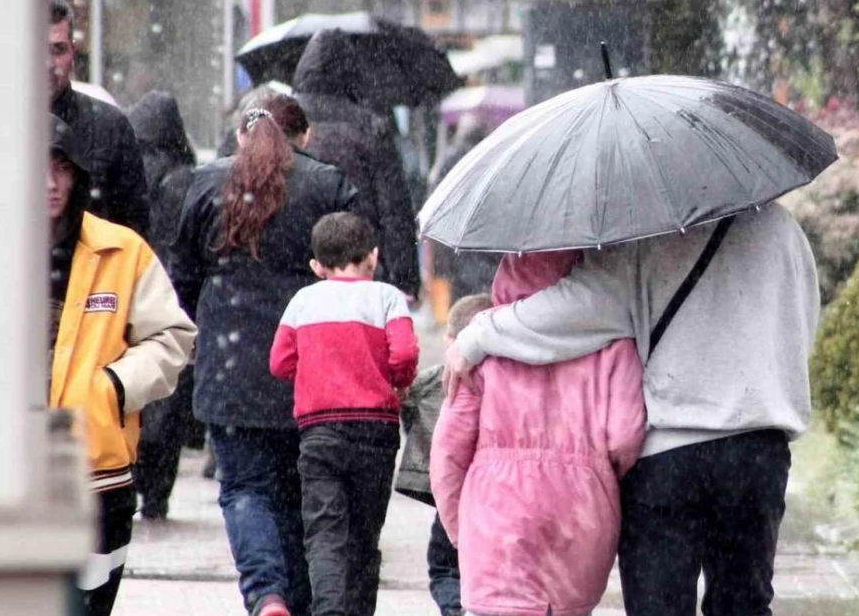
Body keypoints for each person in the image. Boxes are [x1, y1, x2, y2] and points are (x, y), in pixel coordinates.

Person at [443, 205, 821, 616]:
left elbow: (579, 308)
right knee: (744, 604)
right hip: (757, 450)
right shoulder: (784, 230)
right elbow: (801, 324)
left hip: (669, 455)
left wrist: (478, 334)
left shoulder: (653, 227)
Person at [171, 94, 358, 616]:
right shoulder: (328, 185)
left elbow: (181, 280)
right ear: (304, 137)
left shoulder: (207, 184)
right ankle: (298, 599)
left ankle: (266, 593)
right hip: (309, 367)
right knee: (301, 497)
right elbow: (361, 270)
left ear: (239, 139)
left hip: (230, 368)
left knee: (245, 490)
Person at [431, 251, 645, 616]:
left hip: (494, 518)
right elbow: (626, 436)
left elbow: (448, 454)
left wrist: (461, 529)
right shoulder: (612, 341)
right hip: (580, 517)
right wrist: (596, 480)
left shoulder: (480, 342)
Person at [48, 115, 196, 616]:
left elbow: (173, 337)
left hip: (97, 477)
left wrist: (112, 387)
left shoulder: (120, 250)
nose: (49, 182)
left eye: (61, 167)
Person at [270, 212, 420, 616]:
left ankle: (330, 609)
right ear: (373, 256)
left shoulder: (303, 301)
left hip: (318, 432)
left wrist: (317, 370)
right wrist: (397, 379)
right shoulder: (387, 297)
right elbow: (404, 354)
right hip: (376, 431)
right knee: (364, 536)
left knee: (324, 532)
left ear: (317, 266)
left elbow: (279, 362)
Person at [292, 29, 420, 299]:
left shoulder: (284, 119)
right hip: (358, 261)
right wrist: (405, 278)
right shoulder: (370, 126)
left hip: (297, 261)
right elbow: (393, 209)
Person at [127, 90, 204, 519]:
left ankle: (133, 467)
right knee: (168, 395)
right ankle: (157, 490)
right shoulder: (186, 178)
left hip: (131, 292)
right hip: (173, 295)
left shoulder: (125, 172)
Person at [395, 294, 494, 616]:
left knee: (446, 568)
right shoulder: (511, 377)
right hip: (502, 494)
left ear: (452, 339)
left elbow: (408, 407)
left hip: (455, 498)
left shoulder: (437, 381)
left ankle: (458, 610)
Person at [49, 0, 149, 235]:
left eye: (58, 49)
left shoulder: (110, 126)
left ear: (73, 52)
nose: (47, 63)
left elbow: (134, 231)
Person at [427, 116, 500, 302]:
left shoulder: (451, 160)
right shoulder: (493, 158)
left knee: (462, 302)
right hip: (487, 242)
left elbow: (438, 203)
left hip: (458, 240)